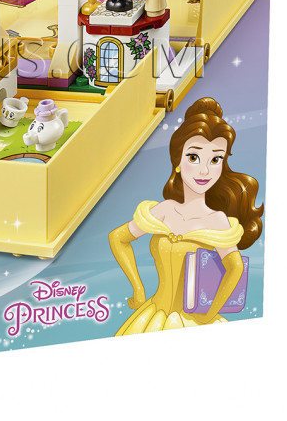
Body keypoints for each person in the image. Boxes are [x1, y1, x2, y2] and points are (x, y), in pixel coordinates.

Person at [109, 97, 263, 334]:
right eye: (194, 157)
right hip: (153, 315)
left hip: (196, 320)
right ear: (178, 160)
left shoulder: (217, 220)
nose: (204, 170)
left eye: (215, 159)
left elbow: (235, 268)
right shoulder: (164, 210)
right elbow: (118, 238)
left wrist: (210, 313)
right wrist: (138, 288)